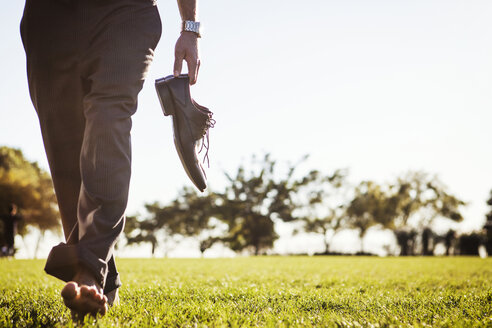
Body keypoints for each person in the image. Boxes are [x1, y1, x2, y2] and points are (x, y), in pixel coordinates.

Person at [20, 0, 202, 318]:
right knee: (65, 146)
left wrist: (190, 28)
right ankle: (105, 274)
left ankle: (88, 270)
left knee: (108, 120)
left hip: (126, 13)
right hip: (48, 17)